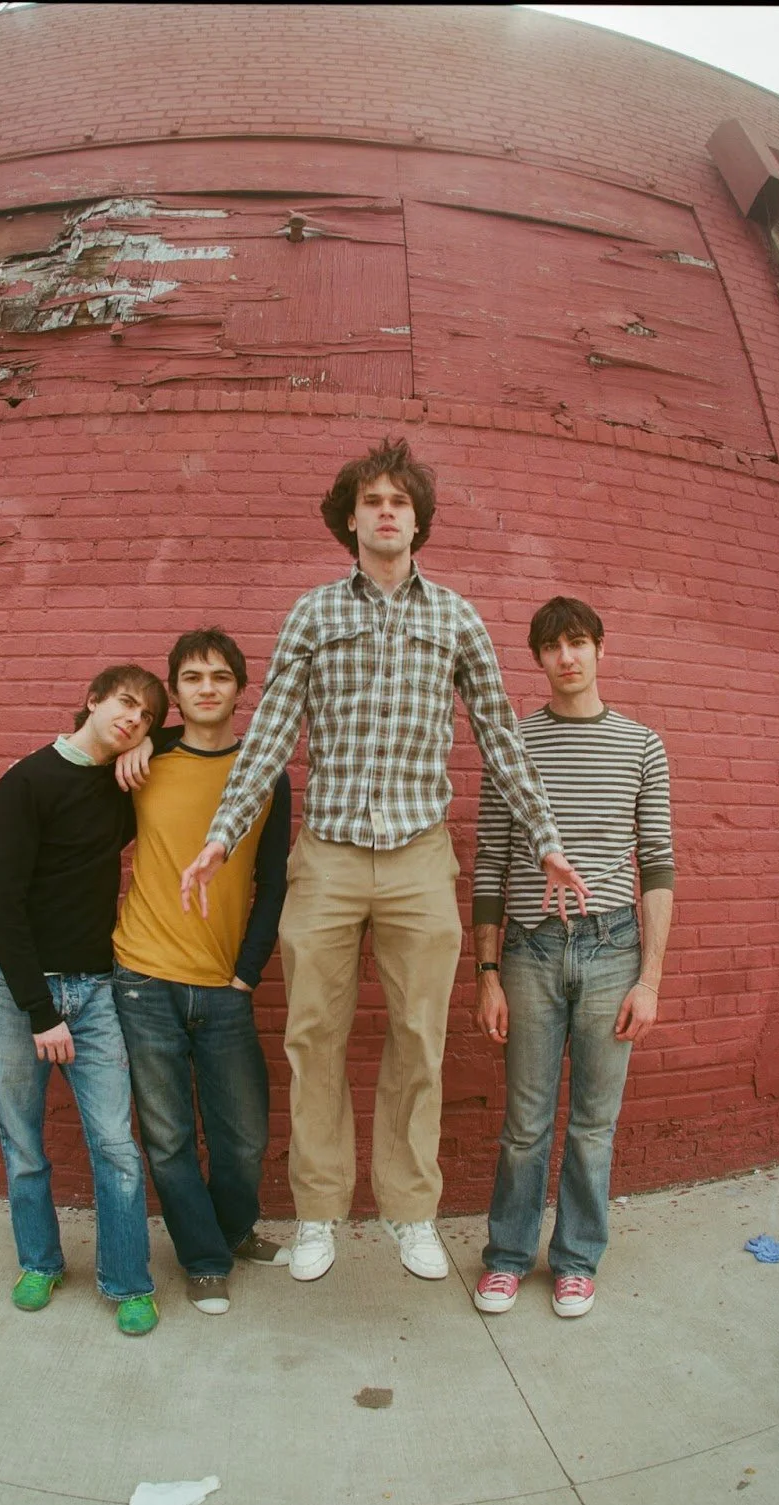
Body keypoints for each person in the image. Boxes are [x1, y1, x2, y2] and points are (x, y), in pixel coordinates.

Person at [178, 438, 587, 1285]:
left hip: (419, 859)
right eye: (373, 501)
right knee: (313, 1037)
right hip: (326, 856)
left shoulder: (457, 618)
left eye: (401, 501)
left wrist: (546, 838)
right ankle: (320, 1213)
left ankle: (410, 1213)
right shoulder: (313, 614)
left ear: (418, 519)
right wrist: (223, 835)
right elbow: (271, 736)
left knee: (418, 1038)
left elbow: (500, 738)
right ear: (352, 520)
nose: (388, 512)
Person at [471, 597, 674, 1319]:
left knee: (593, 1124)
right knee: (525, 1124)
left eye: (579, 642)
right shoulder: (514, 744)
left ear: (599, 649)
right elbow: (491, 861)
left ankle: (577, 1261)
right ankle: (507, 1256)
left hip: (614, 949)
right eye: (553, 646)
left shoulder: (642, 745)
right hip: (529, 949)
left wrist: (650, 980)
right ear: (538, 657)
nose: (567, 657)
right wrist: (487, 974)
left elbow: (658, 866)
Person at [0, 664, 168, 1336]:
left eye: (146, 716)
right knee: (23, 1142)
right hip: (20, 993)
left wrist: (153, 742)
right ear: (92, 700)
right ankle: (40, 1262)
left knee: (116, 1144)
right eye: (125, 704)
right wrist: (41, 1013)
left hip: (94, 990)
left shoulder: (121, 784)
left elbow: (195, 736)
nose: (133, 719)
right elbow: (1, 907)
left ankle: (127, 1281)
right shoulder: (26, 782)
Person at [112, 628, 292, 1316]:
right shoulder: (145, 761)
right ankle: (204, 1258)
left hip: (223, 985)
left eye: (220, 676)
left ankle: (235, 1229)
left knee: (243, 1135)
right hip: (143, 977)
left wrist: (247, 974)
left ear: (241, 688)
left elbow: (273, 883)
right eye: (192, 677)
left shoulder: (265, 774)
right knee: (168, 1137)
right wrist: (134, 743)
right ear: (176, 692)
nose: (207, 687)